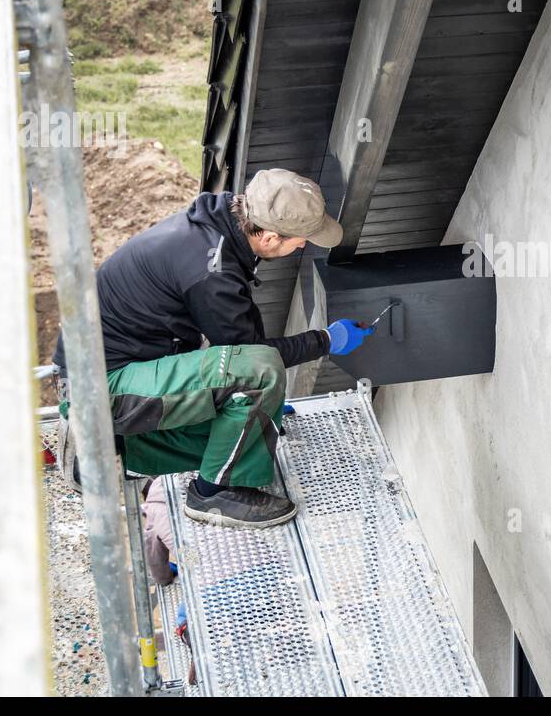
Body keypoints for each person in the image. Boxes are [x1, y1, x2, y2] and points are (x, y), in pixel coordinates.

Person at [54, 169, 372, 528]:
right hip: (100, 389)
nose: (304, 245)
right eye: (301, 239)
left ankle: (112, 456)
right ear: (269, 237)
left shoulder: (219, 230)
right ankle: (213, 493)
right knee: (259, 373)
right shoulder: (211, 270)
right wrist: (325, 341)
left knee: (253, 428)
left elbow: (240, 335)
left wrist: (261, 408)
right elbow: (252, 356)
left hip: (114, 371)